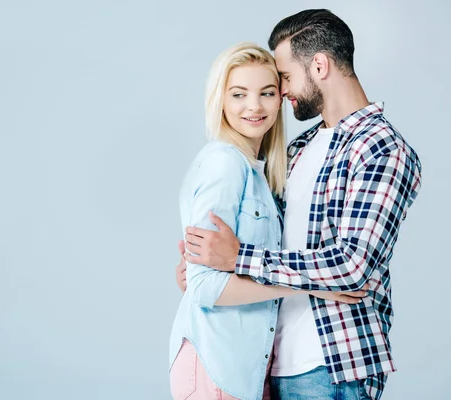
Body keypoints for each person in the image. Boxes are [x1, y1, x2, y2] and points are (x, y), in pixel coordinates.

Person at [176, 10, 422, 400]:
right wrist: (203, 269)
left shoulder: (380, 148)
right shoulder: (297, 150)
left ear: (319, 65)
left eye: (284, 78)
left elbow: (352, 266)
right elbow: (259, 241)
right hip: (267, 364)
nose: (282, 91)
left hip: (332, 368)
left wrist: (238, 258)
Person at [169, 42, 368, 400]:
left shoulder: (262, 172)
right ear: (221, 100)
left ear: (281, 99)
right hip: (218, 364)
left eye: (267, 92)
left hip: (246, 367)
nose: (254, 106)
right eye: (239, 94)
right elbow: (204, 287)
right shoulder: (225, 163)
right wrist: (311, 286)